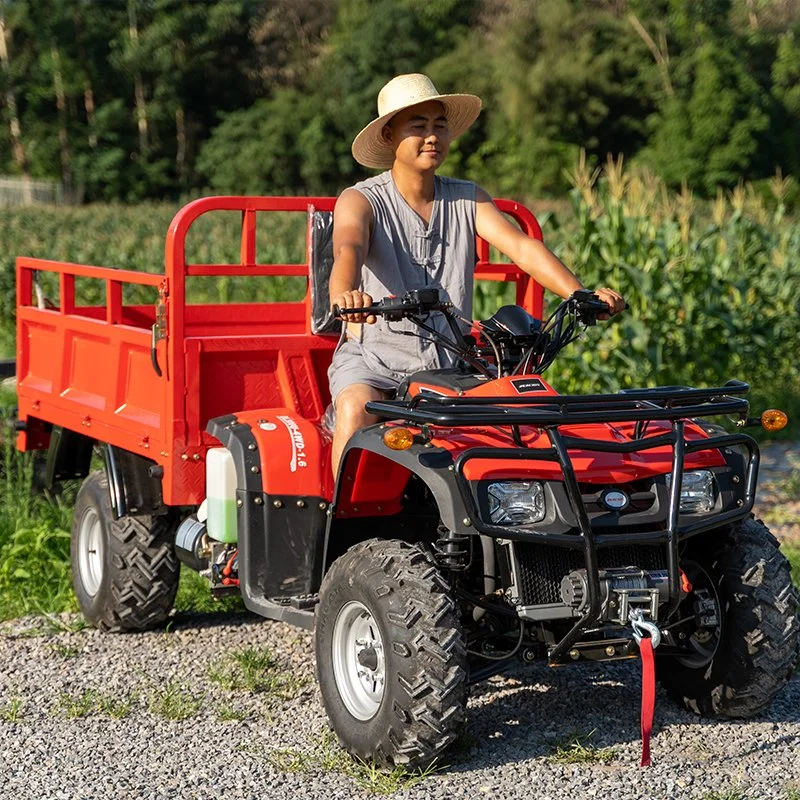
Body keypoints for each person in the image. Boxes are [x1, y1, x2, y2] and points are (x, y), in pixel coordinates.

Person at [328, 73, 624, 473]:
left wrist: (579, 294)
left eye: (440, 126)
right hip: (374, 361)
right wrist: (346, 295)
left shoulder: (467, 196)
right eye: (418, 126)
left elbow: (522, 247)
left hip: (452, 362)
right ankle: (343, 527)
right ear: (388, 136)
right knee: (353, 408)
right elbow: (349, 246)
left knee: (522, 418)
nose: (432, 136)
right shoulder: (362, 199)